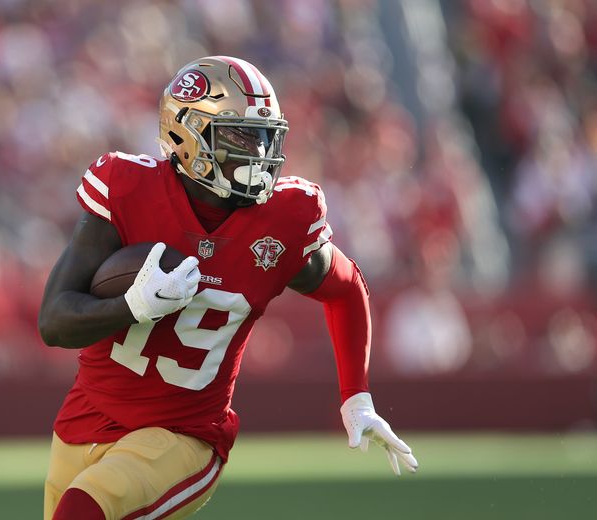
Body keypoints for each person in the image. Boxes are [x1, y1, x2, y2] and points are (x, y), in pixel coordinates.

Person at [38, 56, 418, 520]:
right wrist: (132, 304)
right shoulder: (128, 189)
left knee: (83, 511)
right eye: (240, 137)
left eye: (265, 138)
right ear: (186, 134)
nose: (259, 155)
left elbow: (344, 288)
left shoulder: (284, 219)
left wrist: (356, 396)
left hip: (185, 436)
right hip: (85, 421)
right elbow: (54, 322)